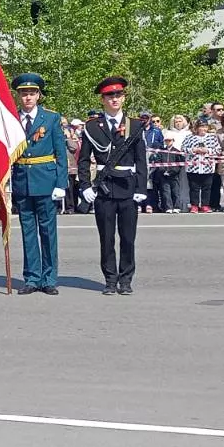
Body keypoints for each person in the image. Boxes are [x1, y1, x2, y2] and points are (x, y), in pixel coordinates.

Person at [79, 77, 148, 294]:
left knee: (128, 238)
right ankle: (110, 279)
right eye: (110, 96)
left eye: (118, 95)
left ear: (124, 98)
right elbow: (83, 160)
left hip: (128, 188)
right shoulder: (92, 126)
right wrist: (85, 186)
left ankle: (126, 280)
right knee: (106, 238)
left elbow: (141, 160)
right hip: (104, 189)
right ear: (103, 100)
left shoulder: (134, 125)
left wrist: (141, 189)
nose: (115, 99)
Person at [10, 73, 68, 295]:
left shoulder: (51, 118)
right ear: (18, 96)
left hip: (46, 179)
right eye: (24, 94)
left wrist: (61, 183)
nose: (28, 98)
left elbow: (60, 153)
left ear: (39, 95)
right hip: (22, 179)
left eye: (32, 93)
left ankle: (49, 278)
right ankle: (32, 278)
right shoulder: (12, 118)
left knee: (48, 231)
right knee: (28, 231)